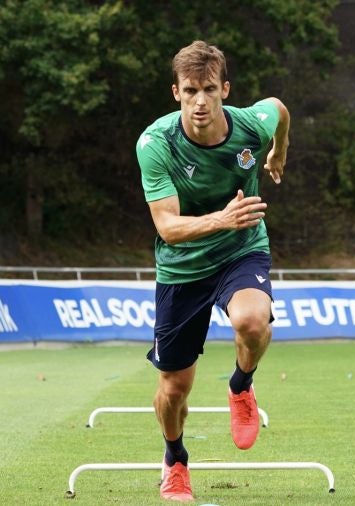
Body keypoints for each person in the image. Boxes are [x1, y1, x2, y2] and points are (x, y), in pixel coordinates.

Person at [135, 40, 290, 502]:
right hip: (182, 267)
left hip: (240, 250)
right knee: (174, 387)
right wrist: (221, 217)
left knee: (251, 320)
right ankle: (175, 459)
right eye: (189, 91)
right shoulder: (155, 143)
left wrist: (278, 153)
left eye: (208, 90)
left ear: (224, 89)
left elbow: (279, 109)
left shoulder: (248, 126)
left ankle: (241, 386)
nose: (199, 101)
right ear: (175, 93)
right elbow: (167, 227)